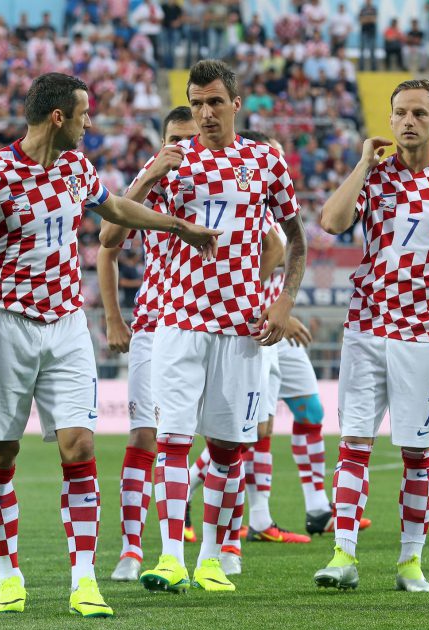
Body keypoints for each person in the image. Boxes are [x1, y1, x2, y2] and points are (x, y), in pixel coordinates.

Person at [0, 73, 219, 618]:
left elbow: (115, 210)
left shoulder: (76, 169)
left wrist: (176, 226)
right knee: (0, 454)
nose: (90, 124)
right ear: (58, 116)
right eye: (84, 114)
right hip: (5, 326)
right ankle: (8, 576)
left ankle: (84, 580)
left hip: (66, 326)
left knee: (80, 448)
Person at [314, 79, 429, 592]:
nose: (409, 121)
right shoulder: (373, 177)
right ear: (390, 120)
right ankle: (343, 556)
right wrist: (361, 165)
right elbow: (330, 221)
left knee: (417, 452)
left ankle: (409, 563)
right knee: (353, 441)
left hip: (425, 330)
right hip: (366, 324)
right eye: (400, 113)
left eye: (419, 112)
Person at [137, 60, 307, 594]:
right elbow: (113, 227)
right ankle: (169, 557)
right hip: (178, 321)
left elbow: (296, 241)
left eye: (214, 102)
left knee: (230, 448)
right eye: (196, 103)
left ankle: (211, 556)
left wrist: (282, 302)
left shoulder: (265, 161)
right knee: (173, 441)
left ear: (236, 104)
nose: (205, 113)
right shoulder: (172, 160)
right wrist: (149, 175)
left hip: (241, 326)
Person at [95, 106, 201, 582]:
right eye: (176, 139)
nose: (184, 147)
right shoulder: (151, 177)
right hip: (156, 323)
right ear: (163, 141)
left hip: (207, 321)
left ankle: (217, 550)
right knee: (144, 435)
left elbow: (273, 243)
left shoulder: (226, 177)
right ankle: (132, 549)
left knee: (210, 438)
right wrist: (115, 317)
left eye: (192, 137)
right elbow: (108, 241)